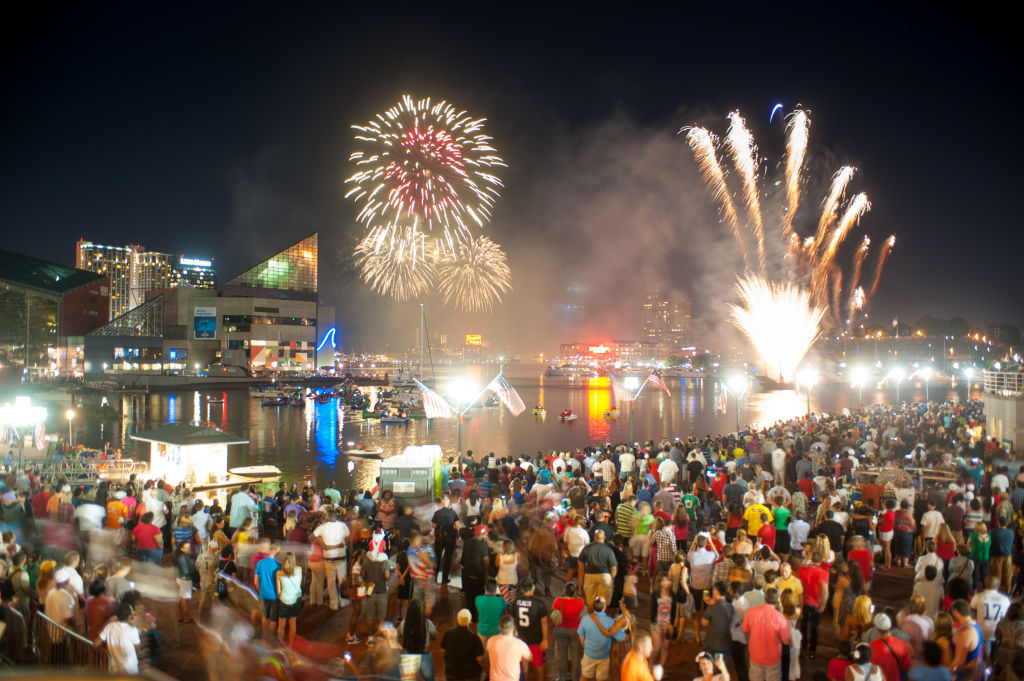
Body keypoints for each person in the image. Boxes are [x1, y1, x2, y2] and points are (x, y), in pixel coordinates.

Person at [742, 587, 791, 681]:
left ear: (764, 597)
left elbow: (744, 629)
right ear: (777, 600)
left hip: (755, 655)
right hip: (772, 658)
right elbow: (785, 641)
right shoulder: (780, 617)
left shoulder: (751, 611)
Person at [577, 596, 627, 681]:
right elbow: (622, 638)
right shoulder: (610, 621)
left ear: (593, 607)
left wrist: (586, 647)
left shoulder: (585, 619)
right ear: (604, 607)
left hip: (589, 655)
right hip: (603, 657)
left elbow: (581, 636)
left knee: (584, 676)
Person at [313, 508, 350, 611]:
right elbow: (348, 540)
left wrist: (323, 543)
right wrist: (351, 553)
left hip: (328, 557)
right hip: (341, 556)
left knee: (331, 581)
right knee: (342, 579)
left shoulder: (322, 527)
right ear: (337, 517)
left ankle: (334, 603)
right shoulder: (343, 526)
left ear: (327, 517)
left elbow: (312, 537)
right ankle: (342, 600)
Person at [513, 577, 550, 681]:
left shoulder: (515, 602)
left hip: (521, 639)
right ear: (533, 588)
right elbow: (544, 623)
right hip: (536, 640)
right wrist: (545, 640)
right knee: (538, 664)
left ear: (521, 589)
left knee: (524, 664)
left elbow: (512, 621)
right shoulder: (539, 604)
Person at [553, 582, 586, 681]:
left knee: (562, 655)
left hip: (561, 630)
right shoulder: (580, 602)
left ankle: (562, 676)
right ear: (575, 592)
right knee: (575, 654)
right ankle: (574, 676)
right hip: (575, 630)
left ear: (564, 590)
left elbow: (555, 609)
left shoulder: (558, 601)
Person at [969, 576, 1010, 656]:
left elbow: (972, 608)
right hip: (998, 631)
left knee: (985, 657)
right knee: (996, 655)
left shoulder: (978, 596)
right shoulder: (1005, 599)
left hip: (983, 631)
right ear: (998, 586)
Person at [578, 530, 618, 611]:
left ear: (594, 538)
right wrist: (612, 578)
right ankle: (601, 620)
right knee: (603, 601)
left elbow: (580, 562)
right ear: (604, 538)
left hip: (590, 575)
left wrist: (582, 574)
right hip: (604, 575)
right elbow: (613, 567)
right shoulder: (608, 550)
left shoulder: (587, 548)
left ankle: (591, 618)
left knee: (590, 600)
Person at [442, 608, 486, 681]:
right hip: (470, 675)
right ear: (469, 620)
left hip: (452, 673)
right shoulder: (474, 638)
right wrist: (486, 668)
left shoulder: (448, 633)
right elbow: (480, 658)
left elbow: (443, 650)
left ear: (457, 619)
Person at [98, 603, 142, 674]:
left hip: (114, 667)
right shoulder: (132, 630)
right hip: (130, 668)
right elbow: (138, 648)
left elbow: (96, 643)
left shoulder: (109, 626)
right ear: (129, 616)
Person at [488, 614, 533, 681]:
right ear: (513, 628)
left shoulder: (491, 641)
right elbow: (530, 657)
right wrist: (520, 659)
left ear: (499, 627)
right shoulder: (519, 644)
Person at [401, 598, 436, 681]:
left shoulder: (403, 624)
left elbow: (399, 636)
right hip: (424, 654)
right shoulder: (427, 623)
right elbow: (435, 636)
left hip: (409, 655)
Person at [254, 543, 281, 640]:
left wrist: (260, 591)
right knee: (273, 618)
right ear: (278, 553)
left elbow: (256, 581)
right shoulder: (279, 565)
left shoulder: (260, 563)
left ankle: (265, 635)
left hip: (263, 594)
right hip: (275, 595)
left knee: (265, 616)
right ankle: (270, 636)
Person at [431, 494, 460, 585]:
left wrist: (440, 526)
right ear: (449, 502)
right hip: (450, 537)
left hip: (439, 537)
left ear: (441, 502)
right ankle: (444, 579)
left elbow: (433, 525)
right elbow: (457, 526)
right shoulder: (453, 513)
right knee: (447, 558)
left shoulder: (437, 513)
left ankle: (434, 578)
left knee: (437, 557)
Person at [276, 551, 303, 645]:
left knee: (281, 625)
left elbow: (278, 592)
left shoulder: (279, 573)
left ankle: (281, 646)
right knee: (293, 623)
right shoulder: (299, 569)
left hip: (284, 600)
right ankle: (291, 645)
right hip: (296, 599)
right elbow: (299, 584)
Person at [477, 579, 508, 644]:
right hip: (496, 632)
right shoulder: (501, 600)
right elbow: (505, 610)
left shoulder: (478, 599)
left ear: (485, 587)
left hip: (482, 631)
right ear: (496, 588)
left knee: (483, 653)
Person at [195, 540, 219, 622]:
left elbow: (197, 567)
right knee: (212, 600)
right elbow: (218, 571)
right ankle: (211, 618)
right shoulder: (216, 558)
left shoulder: (200, 556)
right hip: (212, 582)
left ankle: (201, 617)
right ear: (214, 548)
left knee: (202, 599)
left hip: (203, 580)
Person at [173, 539, 196, 624]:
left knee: (181, 597)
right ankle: (186, 617)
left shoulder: (178, 556)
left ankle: (180, 616)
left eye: (189, 547)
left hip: (179, 578)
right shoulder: (184, 557)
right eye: (186, 548)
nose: (188, 549)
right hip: (185, 580)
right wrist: (193, 566)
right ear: (181, 549)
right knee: (185, 599)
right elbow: (188, 570)